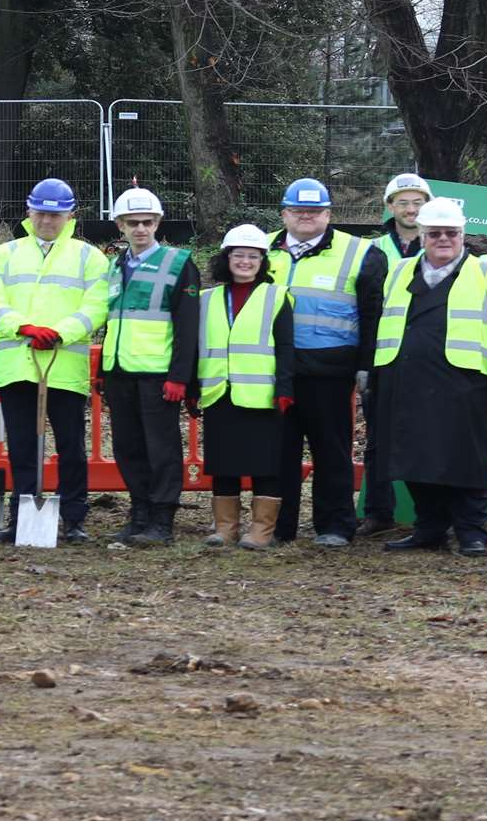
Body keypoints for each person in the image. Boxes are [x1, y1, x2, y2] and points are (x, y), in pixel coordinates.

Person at [371, 198, 487, 557]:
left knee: (465, 460)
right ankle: (430, 528)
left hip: (464, 385)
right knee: (413, 457)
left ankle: (472, 531)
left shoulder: (486, 274)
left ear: (462, 235)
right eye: (434, 233)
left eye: (450, 233)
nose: (443, 239)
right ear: (421, 235)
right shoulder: (399, 272)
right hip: (404, 380)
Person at [0, 178, 109, 544]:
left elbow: (96, 306)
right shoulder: (5, 253)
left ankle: (74, 519)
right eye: (41, 212)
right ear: (29, 211)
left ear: (71, 215)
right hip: (18, 365)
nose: (48, 220)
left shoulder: (89, 256)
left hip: (64, 367)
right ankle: (24, 520)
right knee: (22, 447)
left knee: (71, 446)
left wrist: (60, 332)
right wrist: (24, 327)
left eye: (56, 214)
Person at [266, 177, 384, 547]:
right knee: (277, 454)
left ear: (329, 214)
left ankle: (334, 526)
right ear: (284, 213)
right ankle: (277, 526)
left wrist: (366, 365)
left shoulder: (361, 253)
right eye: (298, 211)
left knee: (332, 452)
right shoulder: (261, 249)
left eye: (314, 211)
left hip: (330, 374)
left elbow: (372, 316)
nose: (306, 217)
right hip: (275, 370)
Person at [99, 186, 200, 545]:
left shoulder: (178, 263)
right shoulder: (113, 267)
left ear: (157, 223)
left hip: (159, 374)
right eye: (132, 223)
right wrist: (103, 371)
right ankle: (139, 513)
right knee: (128, 448)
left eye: (146, 222)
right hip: (120, 371)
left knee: (162, 450)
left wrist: (180, 377)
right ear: (120, 226)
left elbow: (188, 325)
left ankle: (162, 520)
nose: (140, 229)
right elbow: (111, 321)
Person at [194, 224, 295, 550]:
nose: (246, 262)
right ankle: (226, 529)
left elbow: (286, 347)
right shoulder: (206, 299)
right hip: (219, 392)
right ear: (227, 258)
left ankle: (261, 531)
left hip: (261, 395)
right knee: (224, 464)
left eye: (253, 256)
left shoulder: (277, 295)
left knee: (266, 465)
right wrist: (194, 388)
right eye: (239, 255)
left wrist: (284, 388)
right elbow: (198, 347)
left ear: (262, 261)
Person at [357, 173, 430, 536]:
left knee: (428, 437)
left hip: (428, 359)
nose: (411, 209)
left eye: (418, 202)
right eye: (403, 202)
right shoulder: (371, 251)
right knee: (378, 438)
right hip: (383, 359)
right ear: (389, 207)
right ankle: (378, 510)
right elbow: (364, 309)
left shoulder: (441, 244)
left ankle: (428, 517)